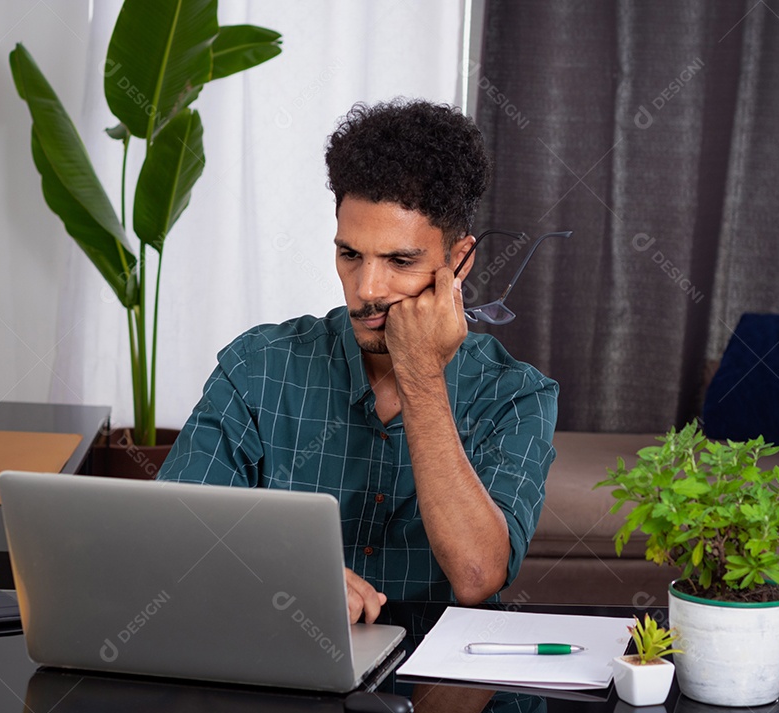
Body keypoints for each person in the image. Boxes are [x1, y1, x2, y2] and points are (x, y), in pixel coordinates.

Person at [157, 98, 558, 624]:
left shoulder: (516, 395)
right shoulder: (257, 367)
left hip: (443, 688)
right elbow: (169, 539)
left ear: (458, 262)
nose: (366, 289)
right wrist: (284, 576)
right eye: (350, 255)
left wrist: (420, 374)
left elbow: (478, 577)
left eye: (400, 260)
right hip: (289, 673)